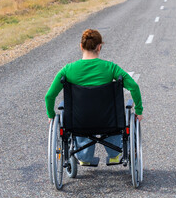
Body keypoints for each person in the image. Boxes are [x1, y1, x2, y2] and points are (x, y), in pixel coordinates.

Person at [45, 29, 143, 166]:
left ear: (81, 47)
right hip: (109, 122)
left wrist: (51, 115)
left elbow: (49, 96)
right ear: (99, 47)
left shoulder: (67, 70)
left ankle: (84, 157)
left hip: (79, 123)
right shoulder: (110, 68)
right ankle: (115, 155)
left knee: (80, 119)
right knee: (112, 119)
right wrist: (138, 110)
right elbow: (134, 87)